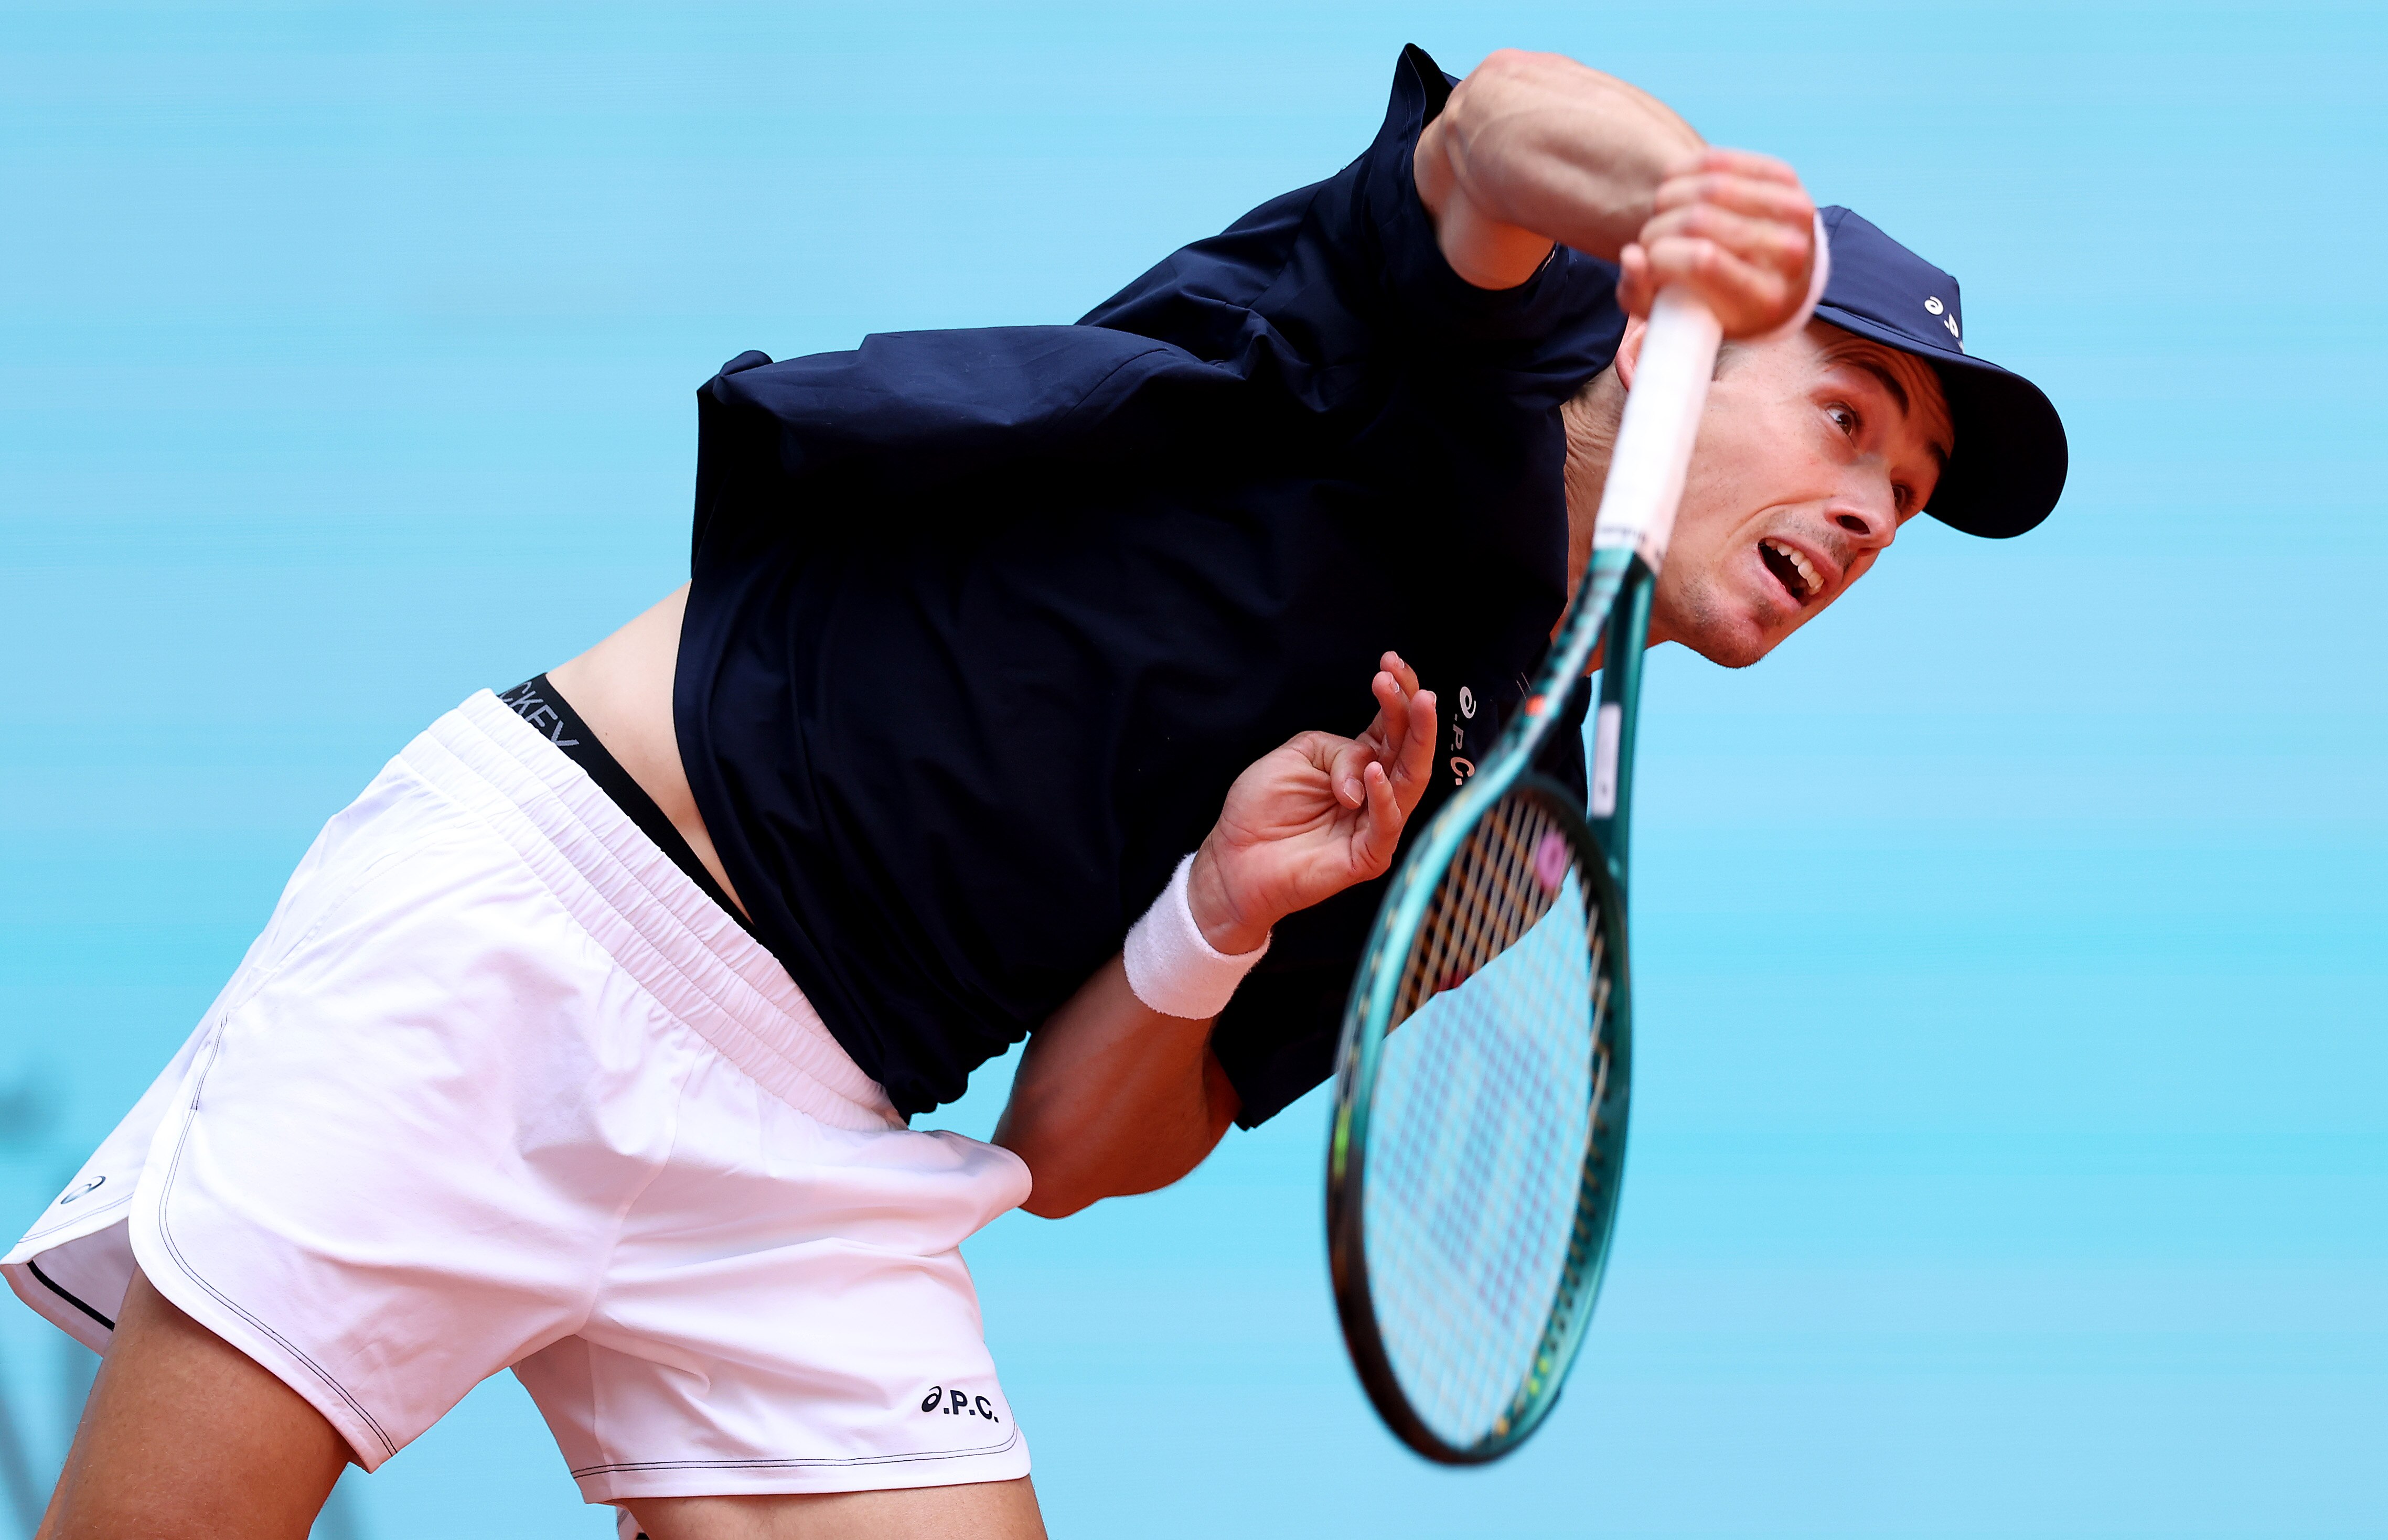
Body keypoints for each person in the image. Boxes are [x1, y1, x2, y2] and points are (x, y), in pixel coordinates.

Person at [7, 41, 2064, 1540]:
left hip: (819, 1134)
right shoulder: (1451, 337)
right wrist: (1671, 182)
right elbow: (1492, 133)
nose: (1874, 505)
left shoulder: (1500, 821)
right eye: (1847, 414)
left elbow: (1073, 1147)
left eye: (1906, 495)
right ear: (1669, 335)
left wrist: (1222, 913)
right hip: (542, 926)